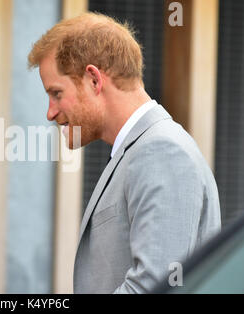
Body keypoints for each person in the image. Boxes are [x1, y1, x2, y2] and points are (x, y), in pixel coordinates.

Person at [28, 12, 221, 293]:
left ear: (94, 79)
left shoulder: (161, 152)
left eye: (56, 93)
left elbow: (152, 287)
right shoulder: (140, 149)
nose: (50, 112)